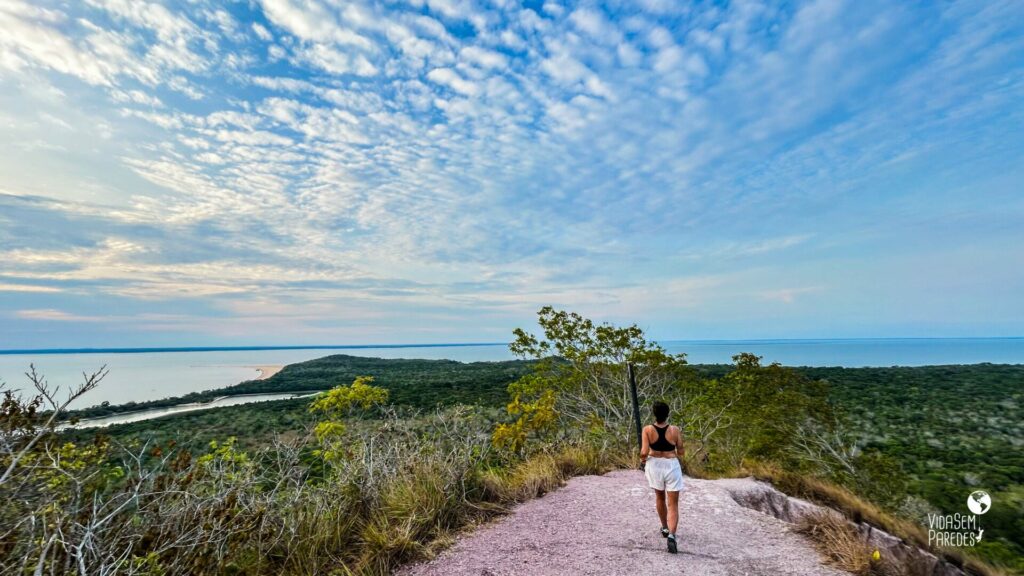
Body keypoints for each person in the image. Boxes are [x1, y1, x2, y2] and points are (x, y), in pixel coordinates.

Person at [640, 401, 684, 554]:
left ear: (654, 413)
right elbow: (681, 451)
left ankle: (664, 527)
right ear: (667, 413)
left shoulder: (647, 429)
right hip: (671, 465)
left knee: (659, 497)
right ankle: (672, 535)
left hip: (654, 465)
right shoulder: (675, 430)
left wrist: (642, 460)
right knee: (673, 503)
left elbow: (644, 452)